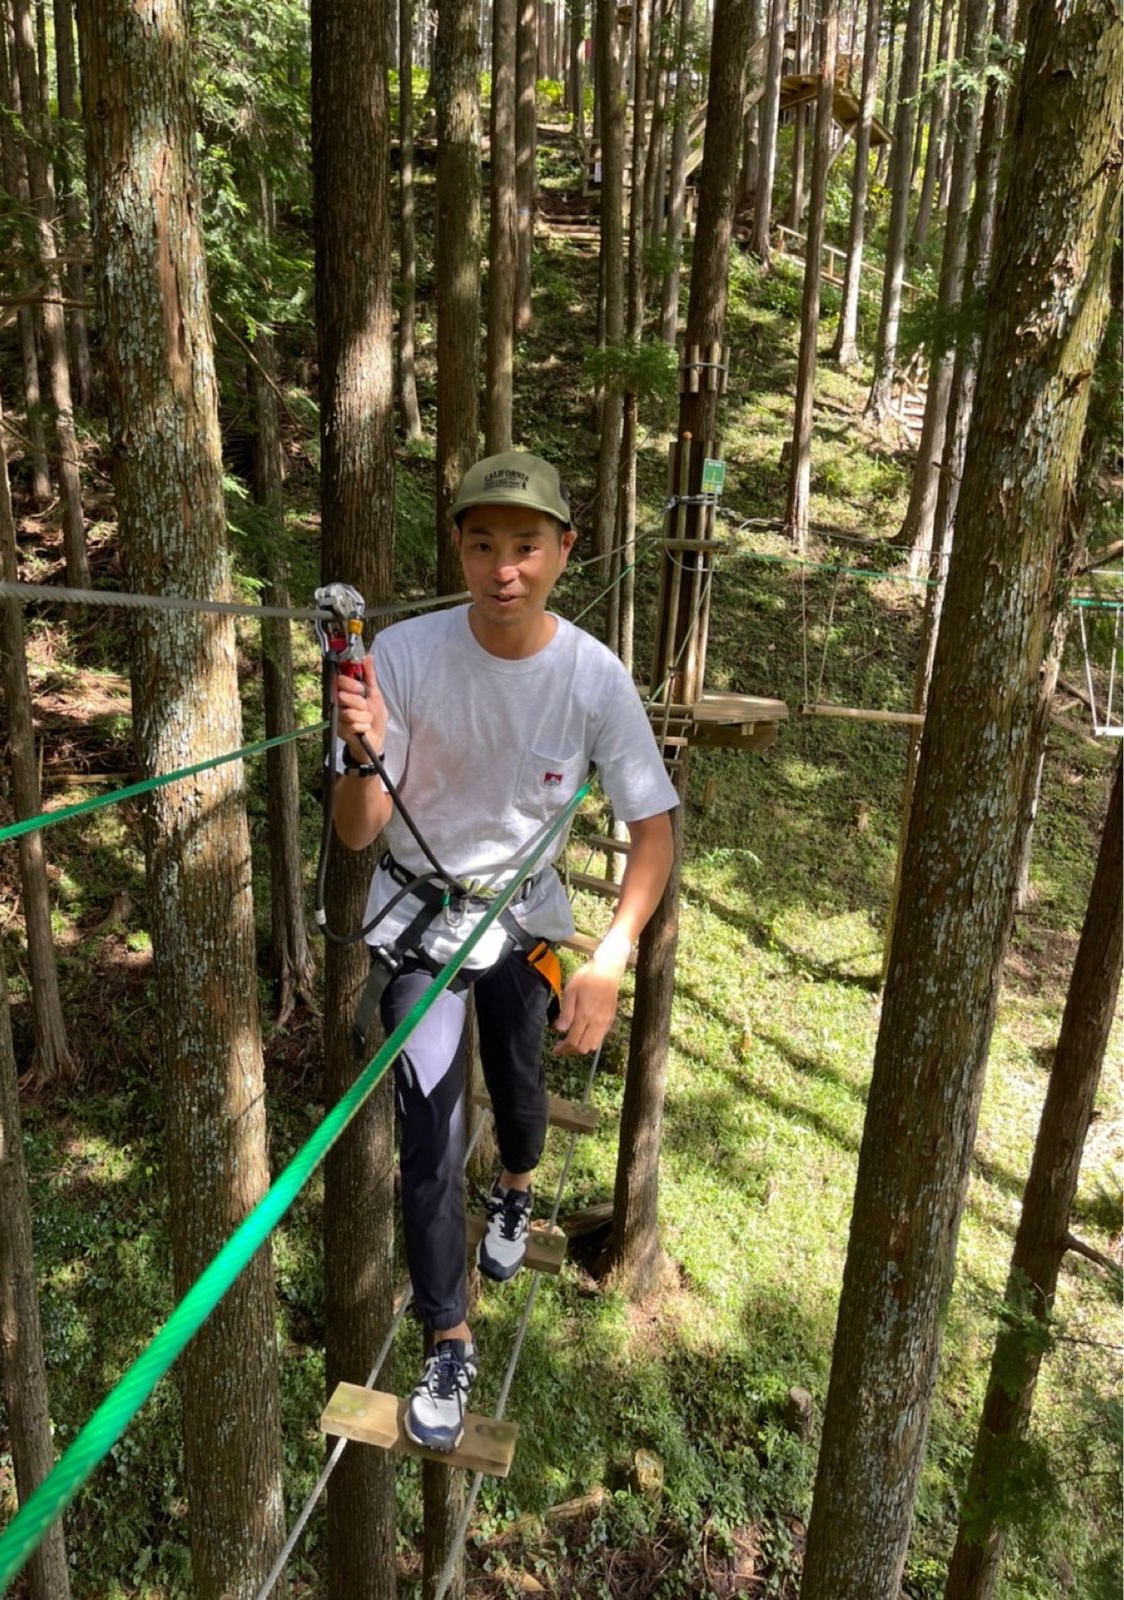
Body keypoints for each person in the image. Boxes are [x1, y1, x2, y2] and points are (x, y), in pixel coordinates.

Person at [333, 450, 677, 1452]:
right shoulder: (402, 657)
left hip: (525, 921)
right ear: (459, 549)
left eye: (526, 545)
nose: (504, 568)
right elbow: (357, 831)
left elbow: (653, 829)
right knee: (429, 1132)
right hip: (419, 924)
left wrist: (610, 955)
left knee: (521, 1091)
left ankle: (519, 1186)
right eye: (483, 545)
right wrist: (362, 754)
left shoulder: (593, 677)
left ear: (564, 550)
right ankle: (449, 1335)